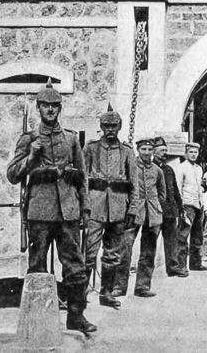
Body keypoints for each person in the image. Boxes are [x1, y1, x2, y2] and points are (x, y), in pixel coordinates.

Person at [6, 79, 96, 334]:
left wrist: (85, 210)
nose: (50, 110)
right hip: (40, 211)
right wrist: (32, 156)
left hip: (68, 211)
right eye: (45, 106)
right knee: (37, 266)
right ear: (38, 108)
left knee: (75, 267)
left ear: (60, 109)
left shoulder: (71, 139)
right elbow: (12, 174)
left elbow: (82, 177)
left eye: (55, 106)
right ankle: (37, 321)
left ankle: (76, 317)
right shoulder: (29, 139)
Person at [82, 106, 137, 306]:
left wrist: (132, 209)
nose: (110, 129)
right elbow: (82, 180)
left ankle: (106, 293)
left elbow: (134, 184)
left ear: (120, 126)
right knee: (89, 252)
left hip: (118, 209)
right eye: (106, 126)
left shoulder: (127, 152)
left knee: (113, 253)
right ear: (101, 126)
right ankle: (80, 294)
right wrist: (84, 206)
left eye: (114, 126)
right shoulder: (90, 148)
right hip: (95, 207)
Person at [115, 138, 166, 297]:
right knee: (125, 249)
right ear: (138, 150)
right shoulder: (131, 167)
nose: (147, 153)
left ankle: (142, 287)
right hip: (133, 213)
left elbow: (162, 194)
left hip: (152, 214)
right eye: (143, 149)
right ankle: (119, 286)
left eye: (150, 150)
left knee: (148, 252)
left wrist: (156, 207)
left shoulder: (157, 170)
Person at [154, 137, 187, 277]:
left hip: (170, 211)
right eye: (162, 150)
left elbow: (175, 190)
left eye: (165, 150)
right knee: (150, 242)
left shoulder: (168, 169)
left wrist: (180, 208)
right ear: (154, 152)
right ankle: (146, 270)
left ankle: (172, 268)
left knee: (171, 241)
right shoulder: (151, 168)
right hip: (155, 211)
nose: (164, 153)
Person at [176, 142, 207, 273]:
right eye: (191, 152)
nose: (194, 155)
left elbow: (201, 189)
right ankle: (181, 266)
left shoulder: (198, 168)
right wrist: (181, 207)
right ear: (186, 153)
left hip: (198, 205)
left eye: (196, 152)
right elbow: (178, 188)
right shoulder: (181, 167)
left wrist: (204, 205)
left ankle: (196, 263)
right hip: (187, 205)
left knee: (198, 236)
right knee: (183, 236)